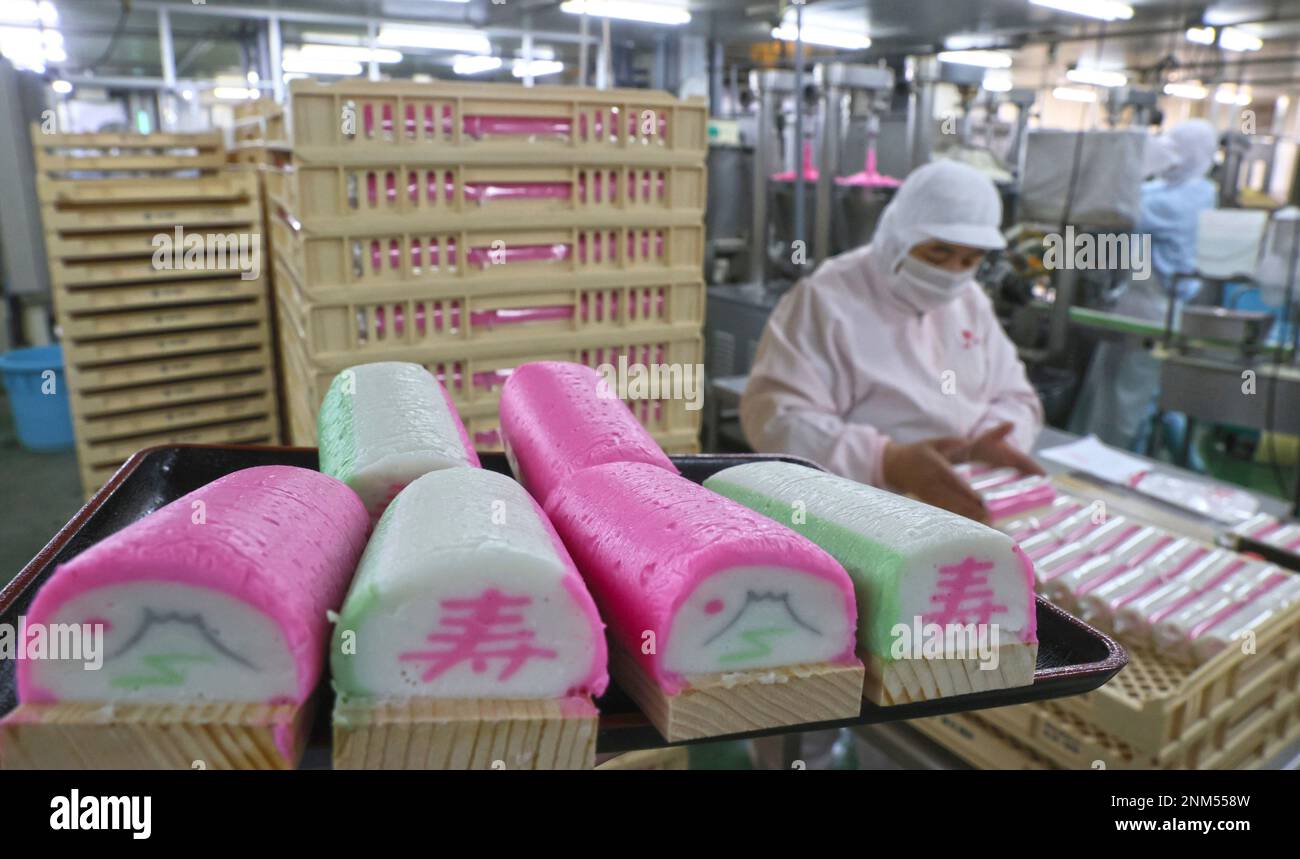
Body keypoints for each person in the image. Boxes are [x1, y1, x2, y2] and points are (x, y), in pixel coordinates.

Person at [740, 160, 1044, 523]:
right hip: (854, 514)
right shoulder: (827, 299)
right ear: (899, 235)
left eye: (969, 259)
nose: (952, 273)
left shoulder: (970, 301)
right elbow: (778, 419)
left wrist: (989, 444)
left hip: (958, 503)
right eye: (938, 253)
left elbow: (1017, 397)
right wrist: (885, 461)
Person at [1069, 119, 1220, 455]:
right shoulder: (1165, 188)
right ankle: (1087, 454)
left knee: (1128, 399)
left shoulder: (1196, 194)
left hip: (1155, 308)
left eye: (1176, 150)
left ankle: (1115, 464)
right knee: (1105, 388)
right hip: (1132, 302)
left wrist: (1136, 165)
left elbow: (1122, 210)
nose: (1170, 157)